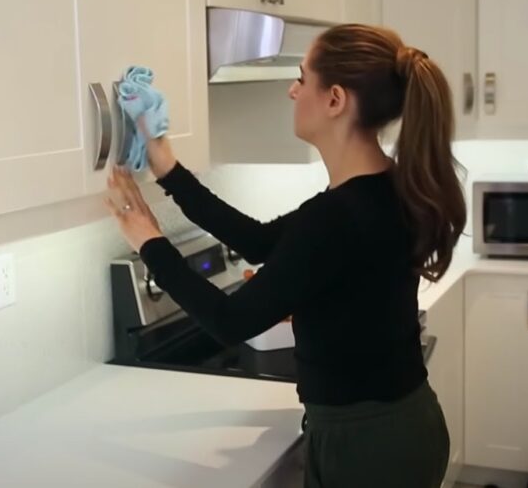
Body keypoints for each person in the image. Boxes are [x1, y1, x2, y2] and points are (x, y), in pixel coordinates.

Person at [105, 24, 466, 488]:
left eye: (302, 78)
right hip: (405, 426)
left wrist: (149, 240)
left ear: (335, 99)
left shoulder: (338, 215)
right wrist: (167, 168)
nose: (292, 91)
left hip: (367, 446)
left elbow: (231, 321)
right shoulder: (388, 186)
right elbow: (259, 242)